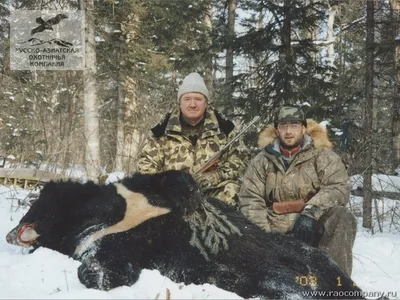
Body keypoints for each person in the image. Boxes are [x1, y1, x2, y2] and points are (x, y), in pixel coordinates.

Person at [238, 105, 357, 276]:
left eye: (294, 125)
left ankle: (336, 281)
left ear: (303, 128)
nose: (288, 132)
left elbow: (338, 188)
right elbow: (250, 199)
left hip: (312, 228)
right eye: (283, 126)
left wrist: (310, 212)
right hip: (273, 230)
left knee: (342, 217)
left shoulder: (322, 155)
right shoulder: (262, 160)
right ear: (276, 130)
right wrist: (264, 238)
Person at [137, 72, 245, 205]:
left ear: (206, 103)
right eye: (187, 99)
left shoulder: (225, 129)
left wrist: (215, 176)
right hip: (172, 195)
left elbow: (240, 160)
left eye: (198, 99)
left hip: (212, 192)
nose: (192, 104)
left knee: (232, 189)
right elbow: (145, 166)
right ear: (179, 103)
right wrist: (168, 184)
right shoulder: (161, 131)